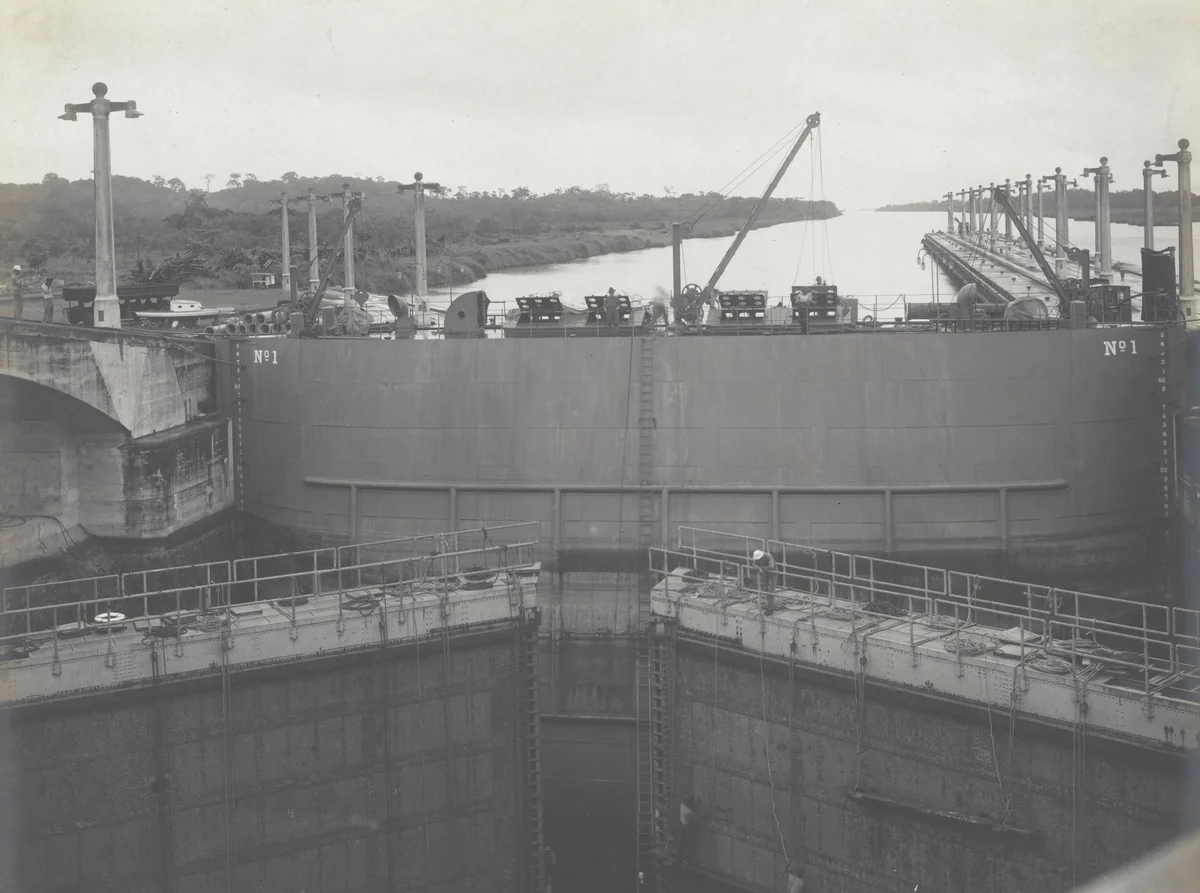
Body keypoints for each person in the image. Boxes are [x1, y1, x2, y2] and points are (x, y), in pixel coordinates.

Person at [752, 549, 777, 614]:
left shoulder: (768, 556)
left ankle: (770, 609)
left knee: (771, 591)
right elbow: (754, 565)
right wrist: (758, 568)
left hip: (772, 573)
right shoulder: (755, 559)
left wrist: (761, 568)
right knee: (765, 589)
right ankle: (769, 603)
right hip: (765, 573)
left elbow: (771, 566)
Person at [678, 796, 698, 864]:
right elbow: (695, 818)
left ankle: (679, 858)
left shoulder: (682, 806)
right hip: (686, 828)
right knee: (689, 843)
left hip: (682, 826)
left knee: (682, 843)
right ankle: (685, 859)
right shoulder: (688, 811)